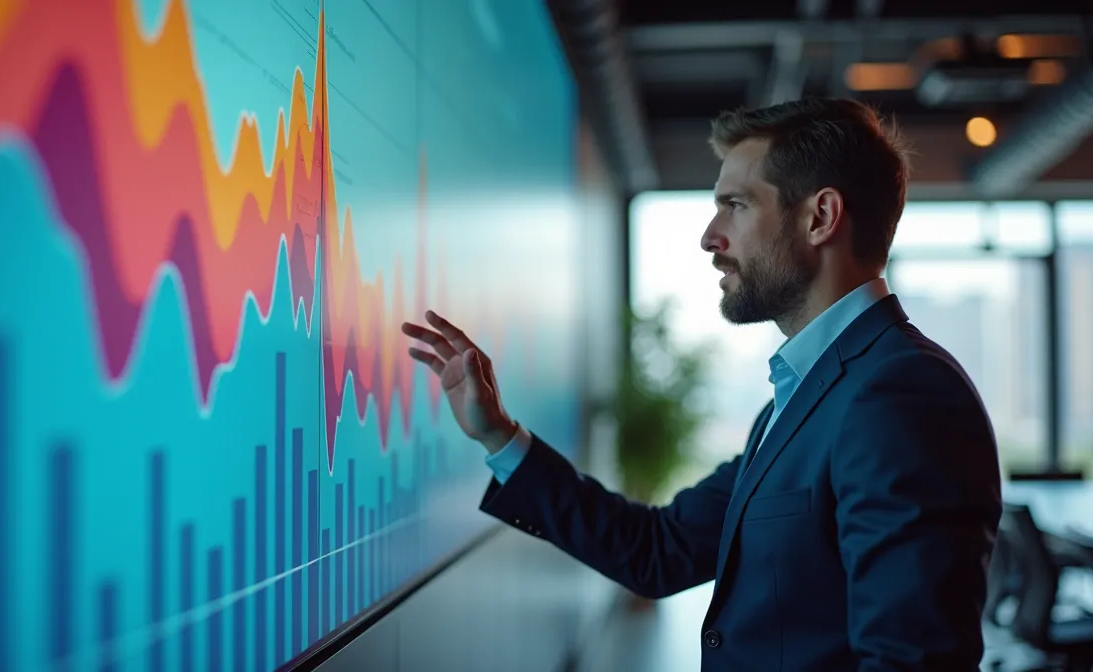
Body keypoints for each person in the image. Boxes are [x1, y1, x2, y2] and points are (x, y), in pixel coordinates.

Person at [401, 98, 1003, 671]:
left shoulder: (900, 395)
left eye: (736, 205)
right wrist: (499, 437)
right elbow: (658, 551)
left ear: (820, 216)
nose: (710, 236)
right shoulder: (802, 397)